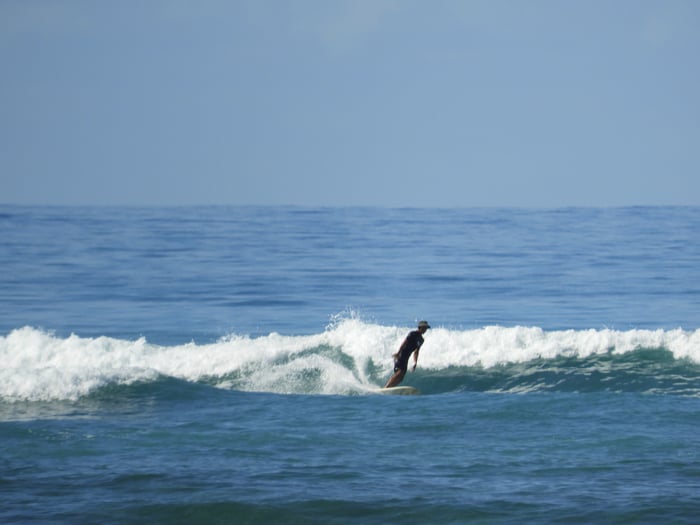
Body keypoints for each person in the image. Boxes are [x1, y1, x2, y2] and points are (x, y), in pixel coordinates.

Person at [384, 320, 430, 388]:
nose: (425, 330)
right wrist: (398, 353)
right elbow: (404, 343)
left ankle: (390, 388)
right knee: (399, 373)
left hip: (406, 358)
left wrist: (415, 362)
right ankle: (386, 387)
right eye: (424, 328)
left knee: (401, 378)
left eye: (426, 328)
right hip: (401, 355)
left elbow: (416, 352)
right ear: (420, 327)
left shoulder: (421, 340)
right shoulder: (412, 334)